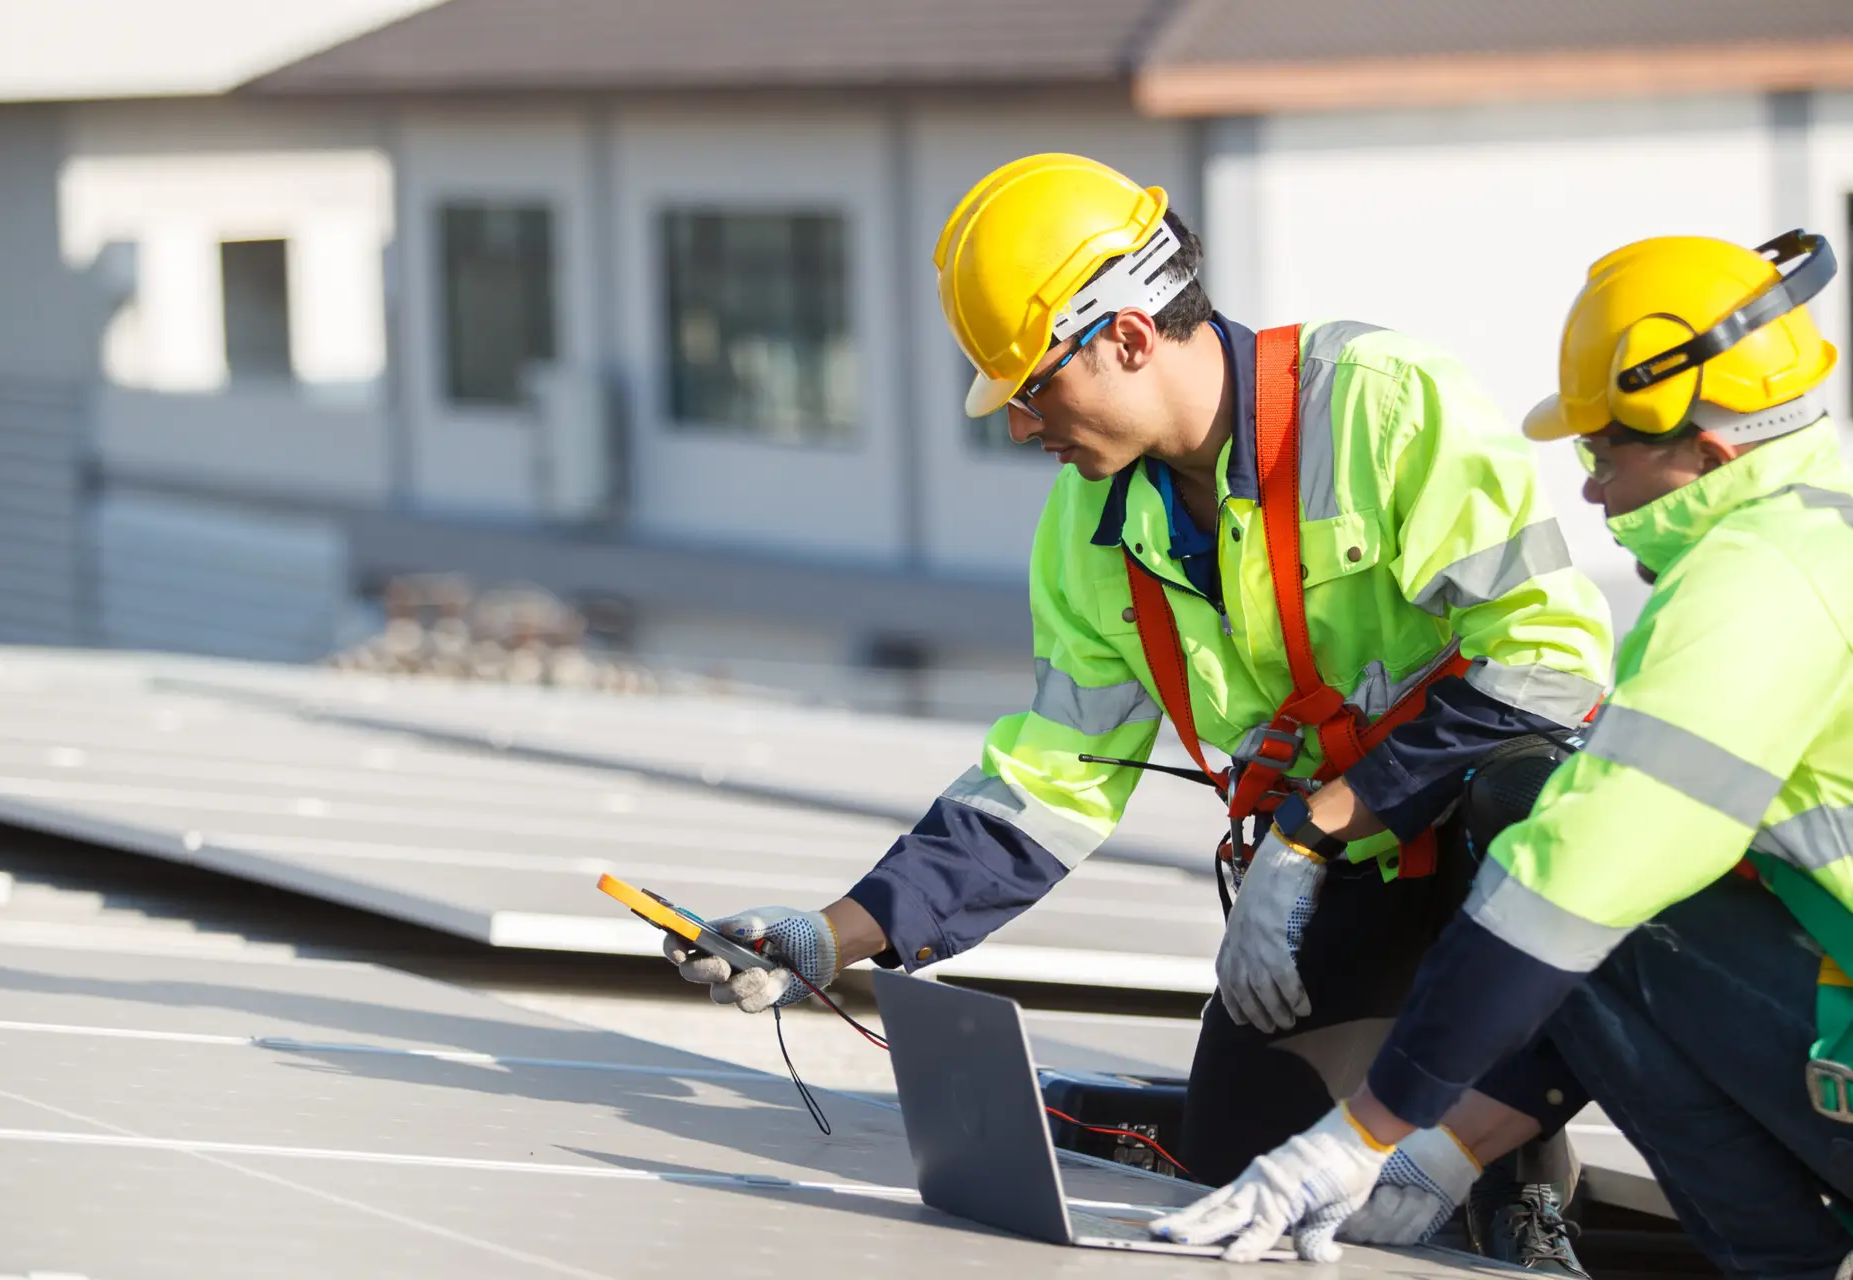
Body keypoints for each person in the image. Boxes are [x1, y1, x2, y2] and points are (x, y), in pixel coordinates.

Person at [663, 153, 1612, 1264]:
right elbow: (1044, 784)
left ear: (1123, 335)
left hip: (1475, 833)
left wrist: (1312, 832)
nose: (1021, 427)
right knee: (1240, 1149)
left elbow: (1549, 662)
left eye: (1030, 389)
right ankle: (1151, 1108)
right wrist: (834, 934)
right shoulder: (1088, 532)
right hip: (1351, 870)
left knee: (1534, 799)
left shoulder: (1382, 405)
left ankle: (1514, 1174)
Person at [1146, 229, 1853, 1279]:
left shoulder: (1758, 588)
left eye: (1604, 453)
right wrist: (1449, 1148)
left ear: (1709, 446)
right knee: (1585, 884)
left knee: (1545, 848)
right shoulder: (1809, 542)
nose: (1592, 491)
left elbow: (1575, 885)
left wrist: (1367, 1132)